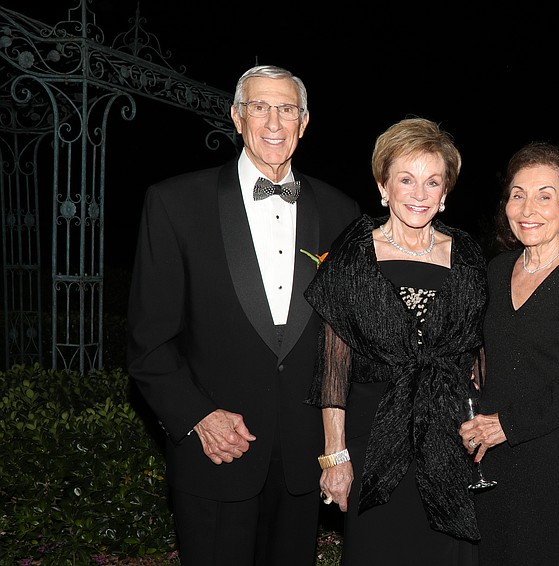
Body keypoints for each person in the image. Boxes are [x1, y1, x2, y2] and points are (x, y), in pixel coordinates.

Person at [126, 64, 360, 566]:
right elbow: (149, 343)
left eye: (287, 109)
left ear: (305, 121)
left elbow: (346, 338)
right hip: (214, 454)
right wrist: (198, 417)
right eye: (260, 107)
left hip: (302, 461)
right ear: (236, 116)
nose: (274, 122)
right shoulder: (173, 203)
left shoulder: (342, 214)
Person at [304, 117, 487, 566]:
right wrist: (335, 455)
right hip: (374, 434)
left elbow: (479, 351)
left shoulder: (466, 254)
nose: (419, 194)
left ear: (445, 194)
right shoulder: (353, 254)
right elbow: (333, 364)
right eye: (406, 179)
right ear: (383, 186)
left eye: (432, 182)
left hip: (449, 435)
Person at [459, 141, 559, 565]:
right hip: (490, 460)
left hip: (554, 462)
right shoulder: (498, 269)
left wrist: (508, 424)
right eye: (518, 195)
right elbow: (491, 351)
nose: (528, 208)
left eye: (546, 196)